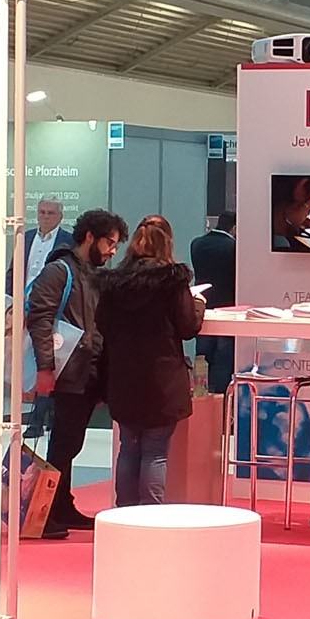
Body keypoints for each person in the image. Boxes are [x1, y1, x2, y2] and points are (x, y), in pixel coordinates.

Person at [28, 207, 128, 537]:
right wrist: (46, 367)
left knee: (70, 442)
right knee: (63, 443)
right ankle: (44, 513)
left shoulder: (92, 274)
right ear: (89, 237)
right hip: (65, 370)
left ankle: (60, 506)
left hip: (85, 372)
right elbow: (40, 319)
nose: (113, 251)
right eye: (110, 243)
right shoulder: (59, 271)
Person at [95, 222, 206, 506]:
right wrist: (198, 305)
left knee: (128, 448)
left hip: (123, 376)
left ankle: (123, 511)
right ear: (167, 243)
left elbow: (102, 324)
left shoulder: (113, 283)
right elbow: (187, 327)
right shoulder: (173, 281)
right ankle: (150, 513)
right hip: (162, 378)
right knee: (156, 452)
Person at [19, 197, 74, 436]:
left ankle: (39, 420)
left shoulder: (68, 241)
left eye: (51, 213)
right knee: (29, 365)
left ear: (60, 216)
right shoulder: (26, 238)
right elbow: (14, 271)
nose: (45, 216)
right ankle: (39, 416)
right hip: (24, 309)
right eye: (42, 212)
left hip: (54, 311)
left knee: (48, 363)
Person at [189, 210, 237, 393]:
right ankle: (220, 400)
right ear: (234, 227)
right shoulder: (233, 248)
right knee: (224, 361)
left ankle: (202, 396)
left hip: (202, 309)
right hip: (228, 310)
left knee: (202, 358)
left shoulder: (197, 244)